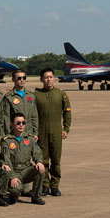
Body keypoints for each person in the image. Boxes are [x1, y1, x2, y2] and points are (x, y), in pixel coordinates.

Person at [34, 67, 71, 197]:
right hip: (41, 130)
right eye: (45, 77)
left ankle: (55, 185)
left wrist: (66, 128)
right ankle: (45, 185)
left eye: (50, 77)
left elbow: (67, 112)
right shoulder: (36, 95)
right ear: (41, 80)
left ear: (54, 78)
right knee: (43, 160)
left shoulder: (61, 94)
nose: (48, 80)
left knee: (55, 160)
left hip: (56, 131)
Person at [0, 113, 45, 205]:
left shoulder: (30, 138)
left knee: (40, 170)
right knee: (16, 189)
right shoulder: (7, 140)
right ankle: (13, 194)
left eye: (23, 123)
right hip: (14, 170)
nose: (21, 125)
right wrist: (12, 176)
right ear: (12, 124)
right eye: (18, 123)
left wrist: (39, 162)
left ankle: (36, 197)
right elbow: (6, 160)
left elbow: (37, 153)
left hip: (26, 170)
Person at [2, 69, 38, 139]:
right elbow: (6, 117)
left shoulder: (31, 96)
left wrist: (35, 132)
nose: (22, 80)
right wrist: (8, 133)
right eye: (19, 78)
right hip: (15, 133)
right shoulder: (9, 97)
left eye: (24, 78)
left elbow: (34, 116)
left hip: (29, 132)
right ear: (13, 79)